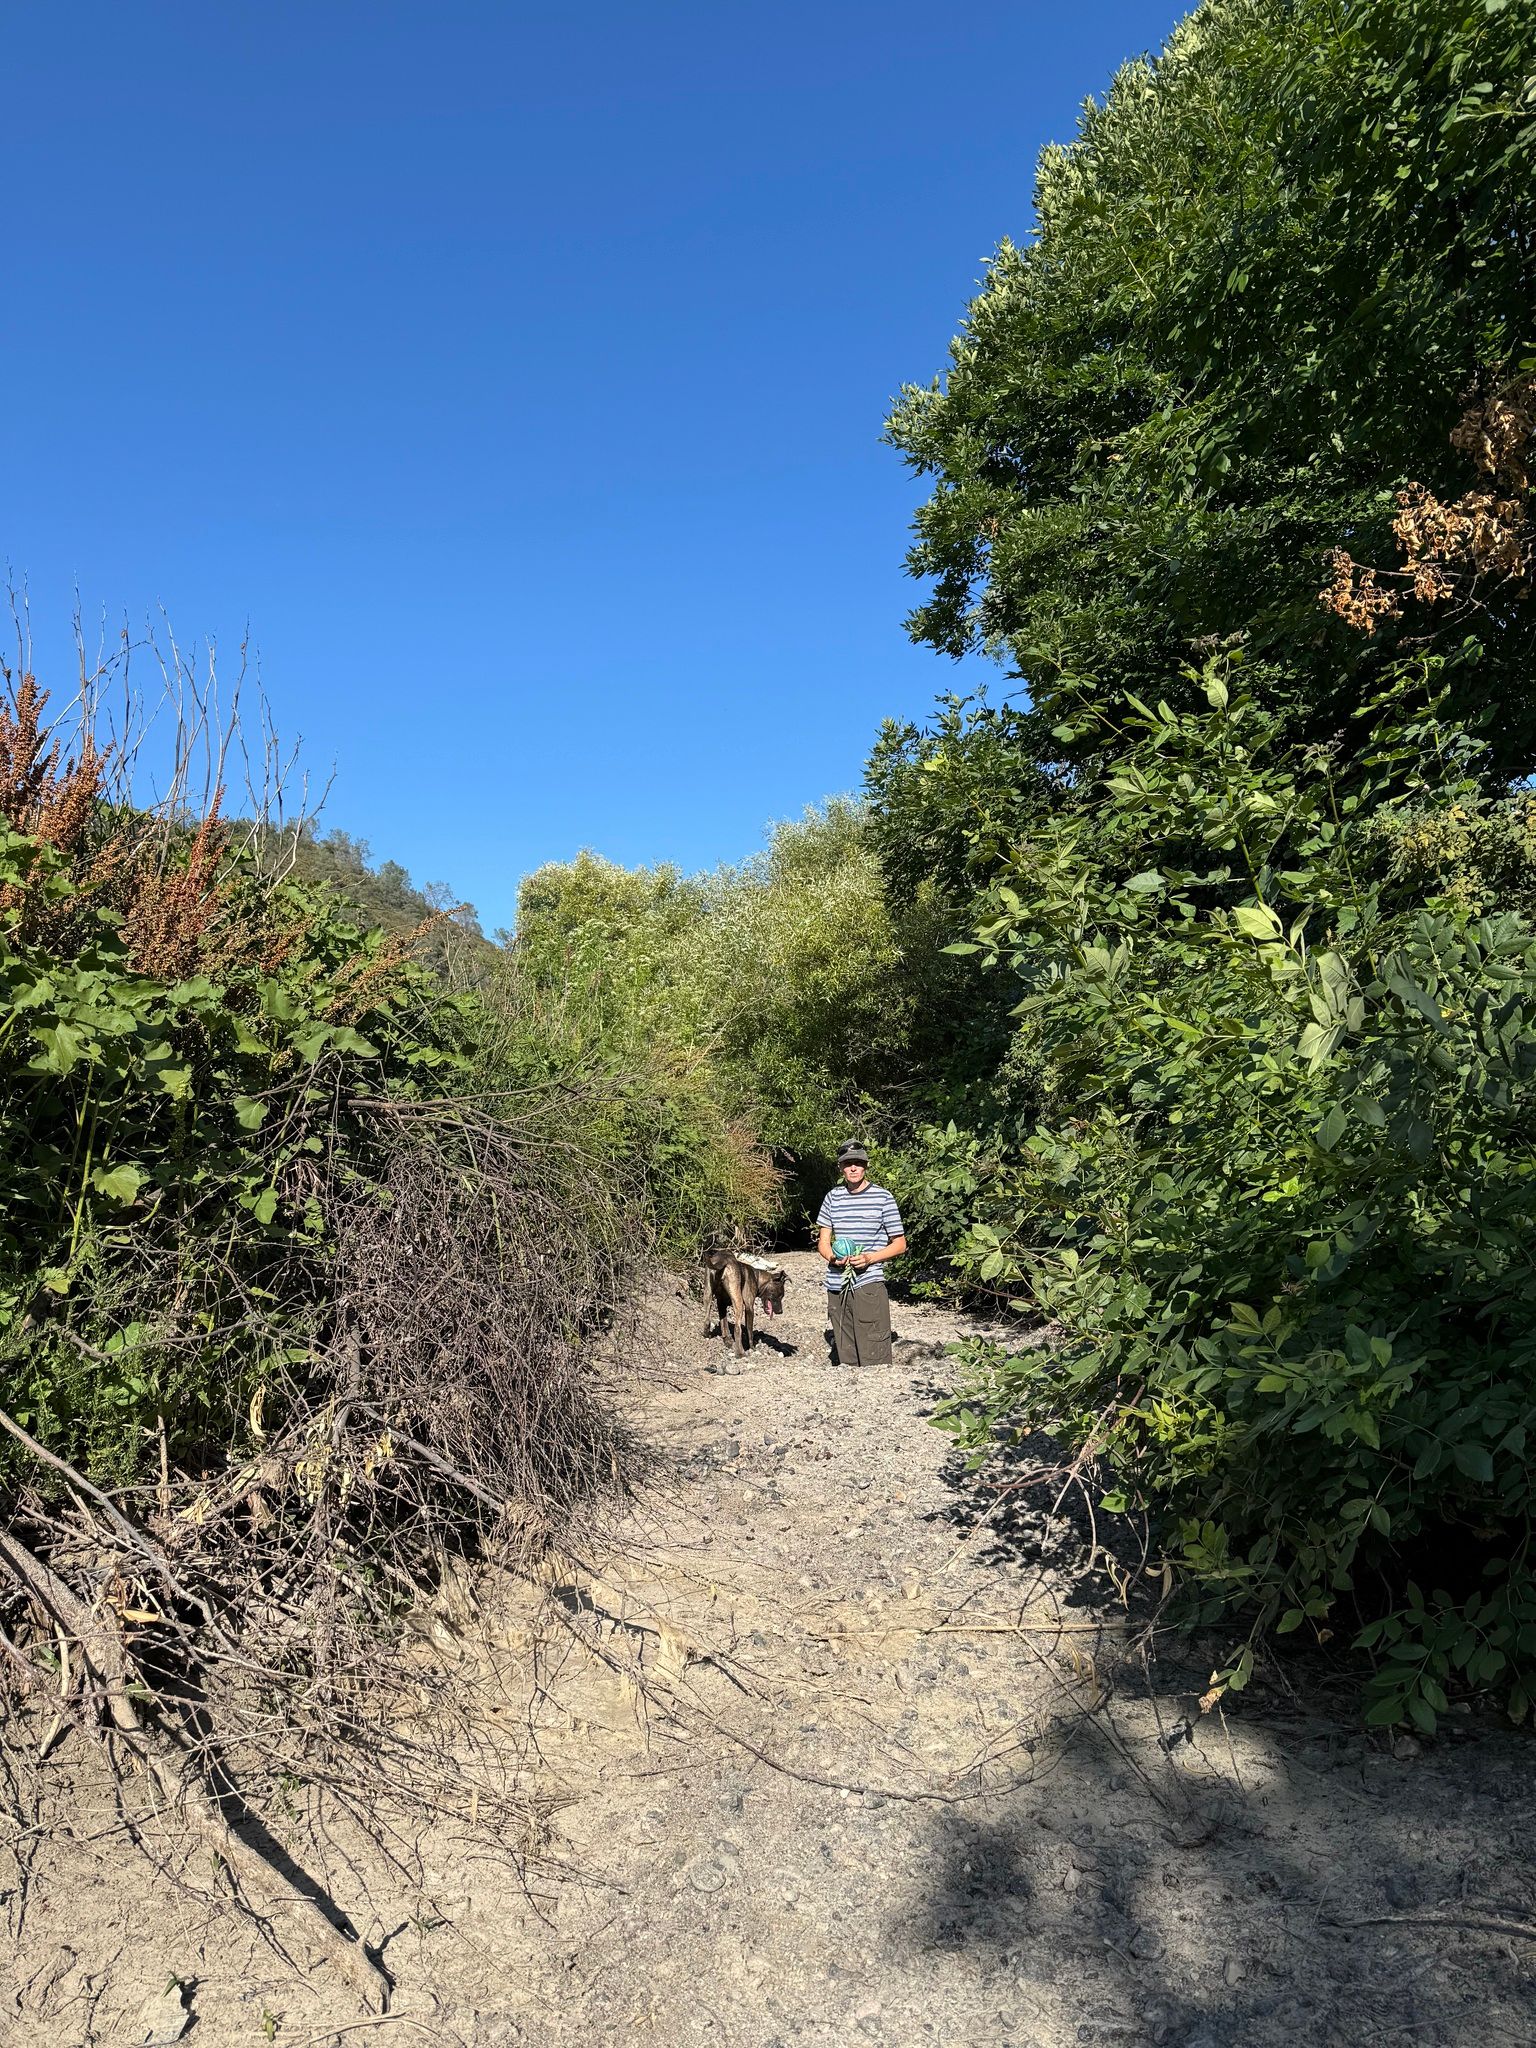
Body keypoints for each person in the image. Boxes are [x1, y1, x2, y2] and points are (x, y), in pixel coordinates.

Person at [816, 1140, 906, 1367]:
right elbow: (823, 1243)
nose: (853, 1168)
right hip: (837, 1283)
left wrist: (869, 1258)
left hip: (869, 1282)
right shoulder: (832, 1197)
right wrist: (833, 1258)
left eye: (857, 1163)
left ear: (865, 1165)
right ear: (841, 1168)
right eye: (848, 1164)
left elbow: (900, 1244)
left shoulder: (883, 1197)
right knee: (846, 1351)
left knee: (874, 1352)